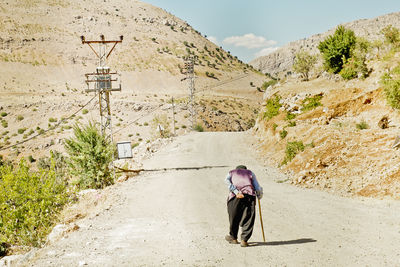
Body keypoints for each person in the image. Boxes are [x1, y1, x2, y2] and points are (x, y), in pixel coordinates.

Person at [224, 165, 263, 247]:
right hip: (249, 195)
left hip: (235, 196)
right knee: (248, 217)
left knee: (233, 217)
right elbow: (257, 187)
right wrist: (259, 196)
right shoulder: (250, 173)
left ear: (237, 169)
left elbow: (226, 181)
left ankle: (233, 238)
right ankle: (244, 240)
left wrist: (236, 191)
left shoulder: (231, 172)